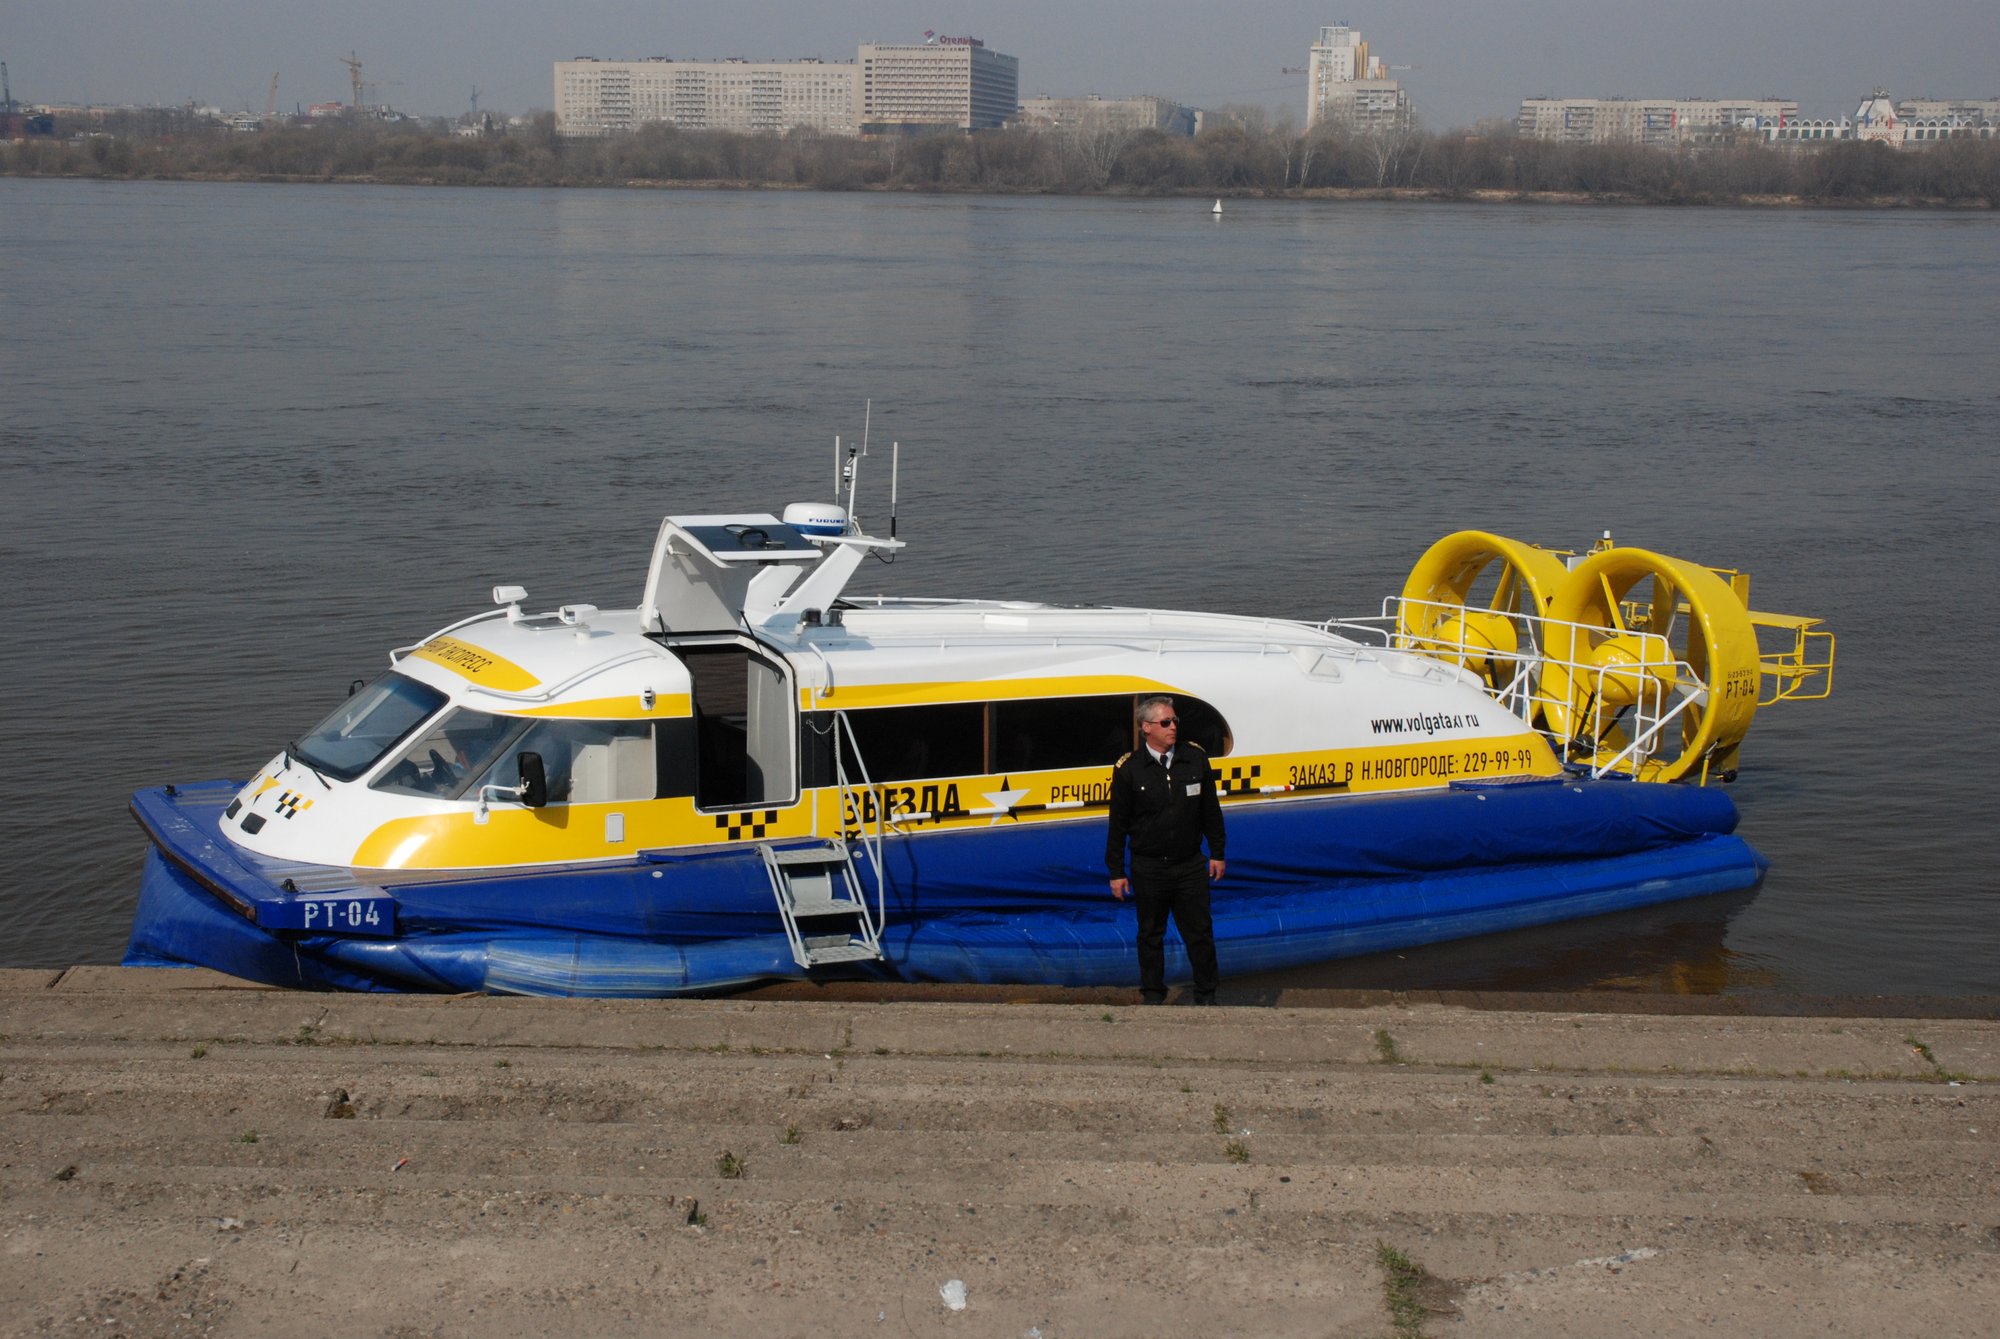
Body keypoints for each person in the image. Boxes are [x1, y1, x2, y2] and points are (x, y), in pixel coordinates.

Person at [1105, 695, 1226, 1005]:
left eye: (1174, 721)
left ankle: (1207, 995)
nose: (1173, 727)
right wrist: (1116, 871)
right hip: (1149, 867)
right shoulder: (1129, 769)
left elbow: (1210, 811)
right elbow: (1118, 824)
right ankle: (1153, 996)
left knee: (1199, 933)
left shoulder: (1194, 759)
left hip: (1188, 865)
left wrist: (1217, 852)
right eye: (1166, 722)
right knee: (1150, 935)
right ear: (1146, 728)